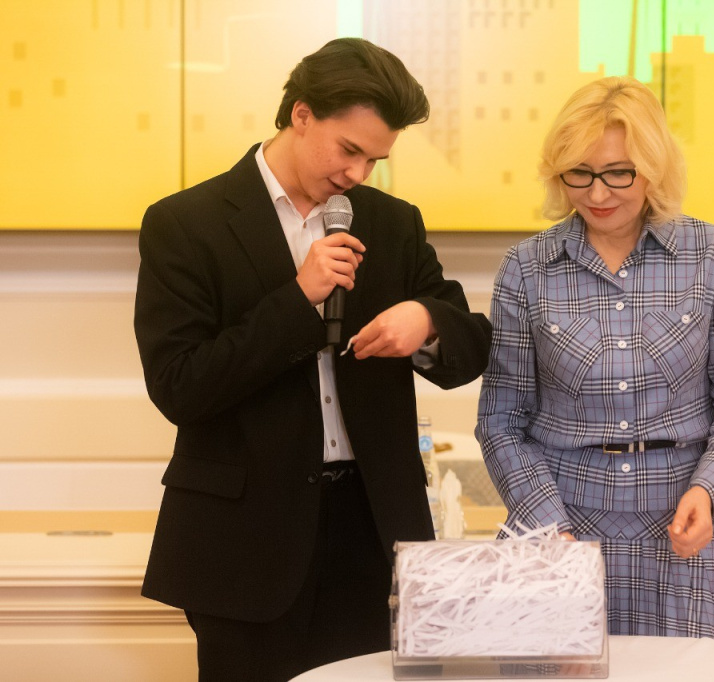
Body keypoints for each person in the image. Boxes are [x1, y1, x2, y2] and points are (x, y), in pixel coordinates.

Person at [135, 37, 492, 680]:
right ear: (301, 114)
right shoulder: (185, 224)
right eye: (349, 149)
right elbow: (180, 386)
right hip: (244, 541)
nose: (358, 173)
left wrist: (426, 322)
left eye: (375, 159)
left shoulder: (393, 222)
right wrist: (298, 300)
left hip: (372, 530)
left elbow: (469, 346)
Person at [475, 76, 714, 641]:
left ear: (653, 167)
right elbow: (501, 421)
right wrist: (546, 526)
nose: (598, 193)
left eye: (618, 173)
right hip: (563, 531)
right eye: (579, 174)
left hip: (686, 529)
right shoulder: (526, 268)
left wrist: (709, 488)